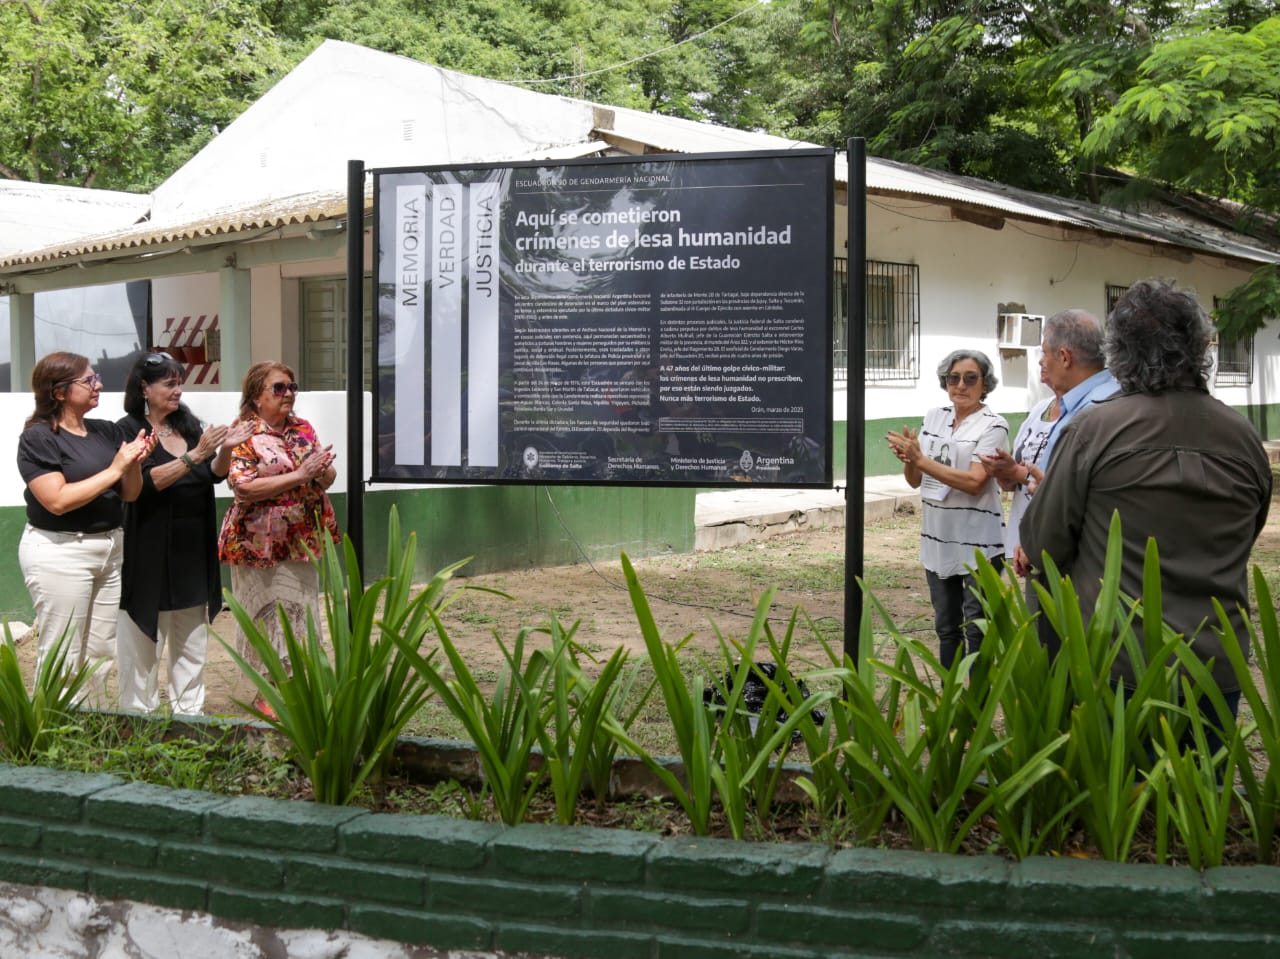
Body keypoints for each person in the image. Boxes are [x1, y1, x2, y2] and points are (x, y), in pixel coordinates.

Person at [1021, 278, 1272, 725]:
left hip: (1120, 660)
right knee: (1200, 793)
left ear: (1118, 351)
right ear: (1202, 348)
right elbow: (1247, 533)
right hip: (1215, 660)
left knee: (1127, 792)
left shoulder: (1094, 430)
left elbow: (1043, 544)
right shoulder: (1245, 437)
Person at [116, 353, 256, 714]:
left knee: (192, 646)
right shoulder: (129, 429)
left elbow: (213, 474)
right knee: (143, 645)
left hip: (192, 554)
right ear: (144, 388)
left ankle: (188, 719)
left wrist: (224, 449)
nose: (178, 390)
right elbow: (147, 483)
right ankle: (138, 721)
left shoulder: (189, 426)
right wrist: (196, 455)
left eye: (180, 382)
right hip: (148, 554)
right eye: (169, 383)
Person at [16, 352, 153, 705]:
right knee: (62, 652)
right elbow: (57, 500)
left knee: (100, 649)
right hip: (61, 552)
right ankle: (52, 734)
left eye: (96, 378)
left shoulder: (104, 431)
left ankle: (89, 731)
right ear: (59, 391)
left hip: (109, 547)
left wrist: (134, 463)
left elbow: (131, 493)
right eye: (89, 380)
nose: (99, 385)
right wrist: (116, 467)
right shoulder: (39, 438)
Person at [217, 362, 339, 717]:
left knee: (301, 610)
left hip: (301, 537)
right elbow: (243, 487)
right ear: (256, 396)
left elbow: (326, 480)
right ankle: (265, 691)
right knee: (264, 612)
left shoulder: (303, 429)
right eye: (279, 388)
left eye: (292, 387)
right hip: (259, 541)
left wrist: (321, 468)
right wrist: (301, 474)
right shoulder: (244, 433)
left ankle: (298, 684)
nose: (288, 394)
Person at [887, 350, 1009, 669]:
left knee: (977, 629)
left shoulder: (994, 425)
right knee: (946, 630)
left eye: (971, 378)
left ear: (985, 384)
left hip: (978, 545)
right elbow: (916, 481)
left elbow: (974, 481)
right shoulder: (935, 417)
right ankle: (951, 709)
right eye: (953, 378)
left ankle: (977, 709)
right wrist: (911, 460)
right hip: (938, 540)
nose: (961, 385)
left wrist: (922, 459)